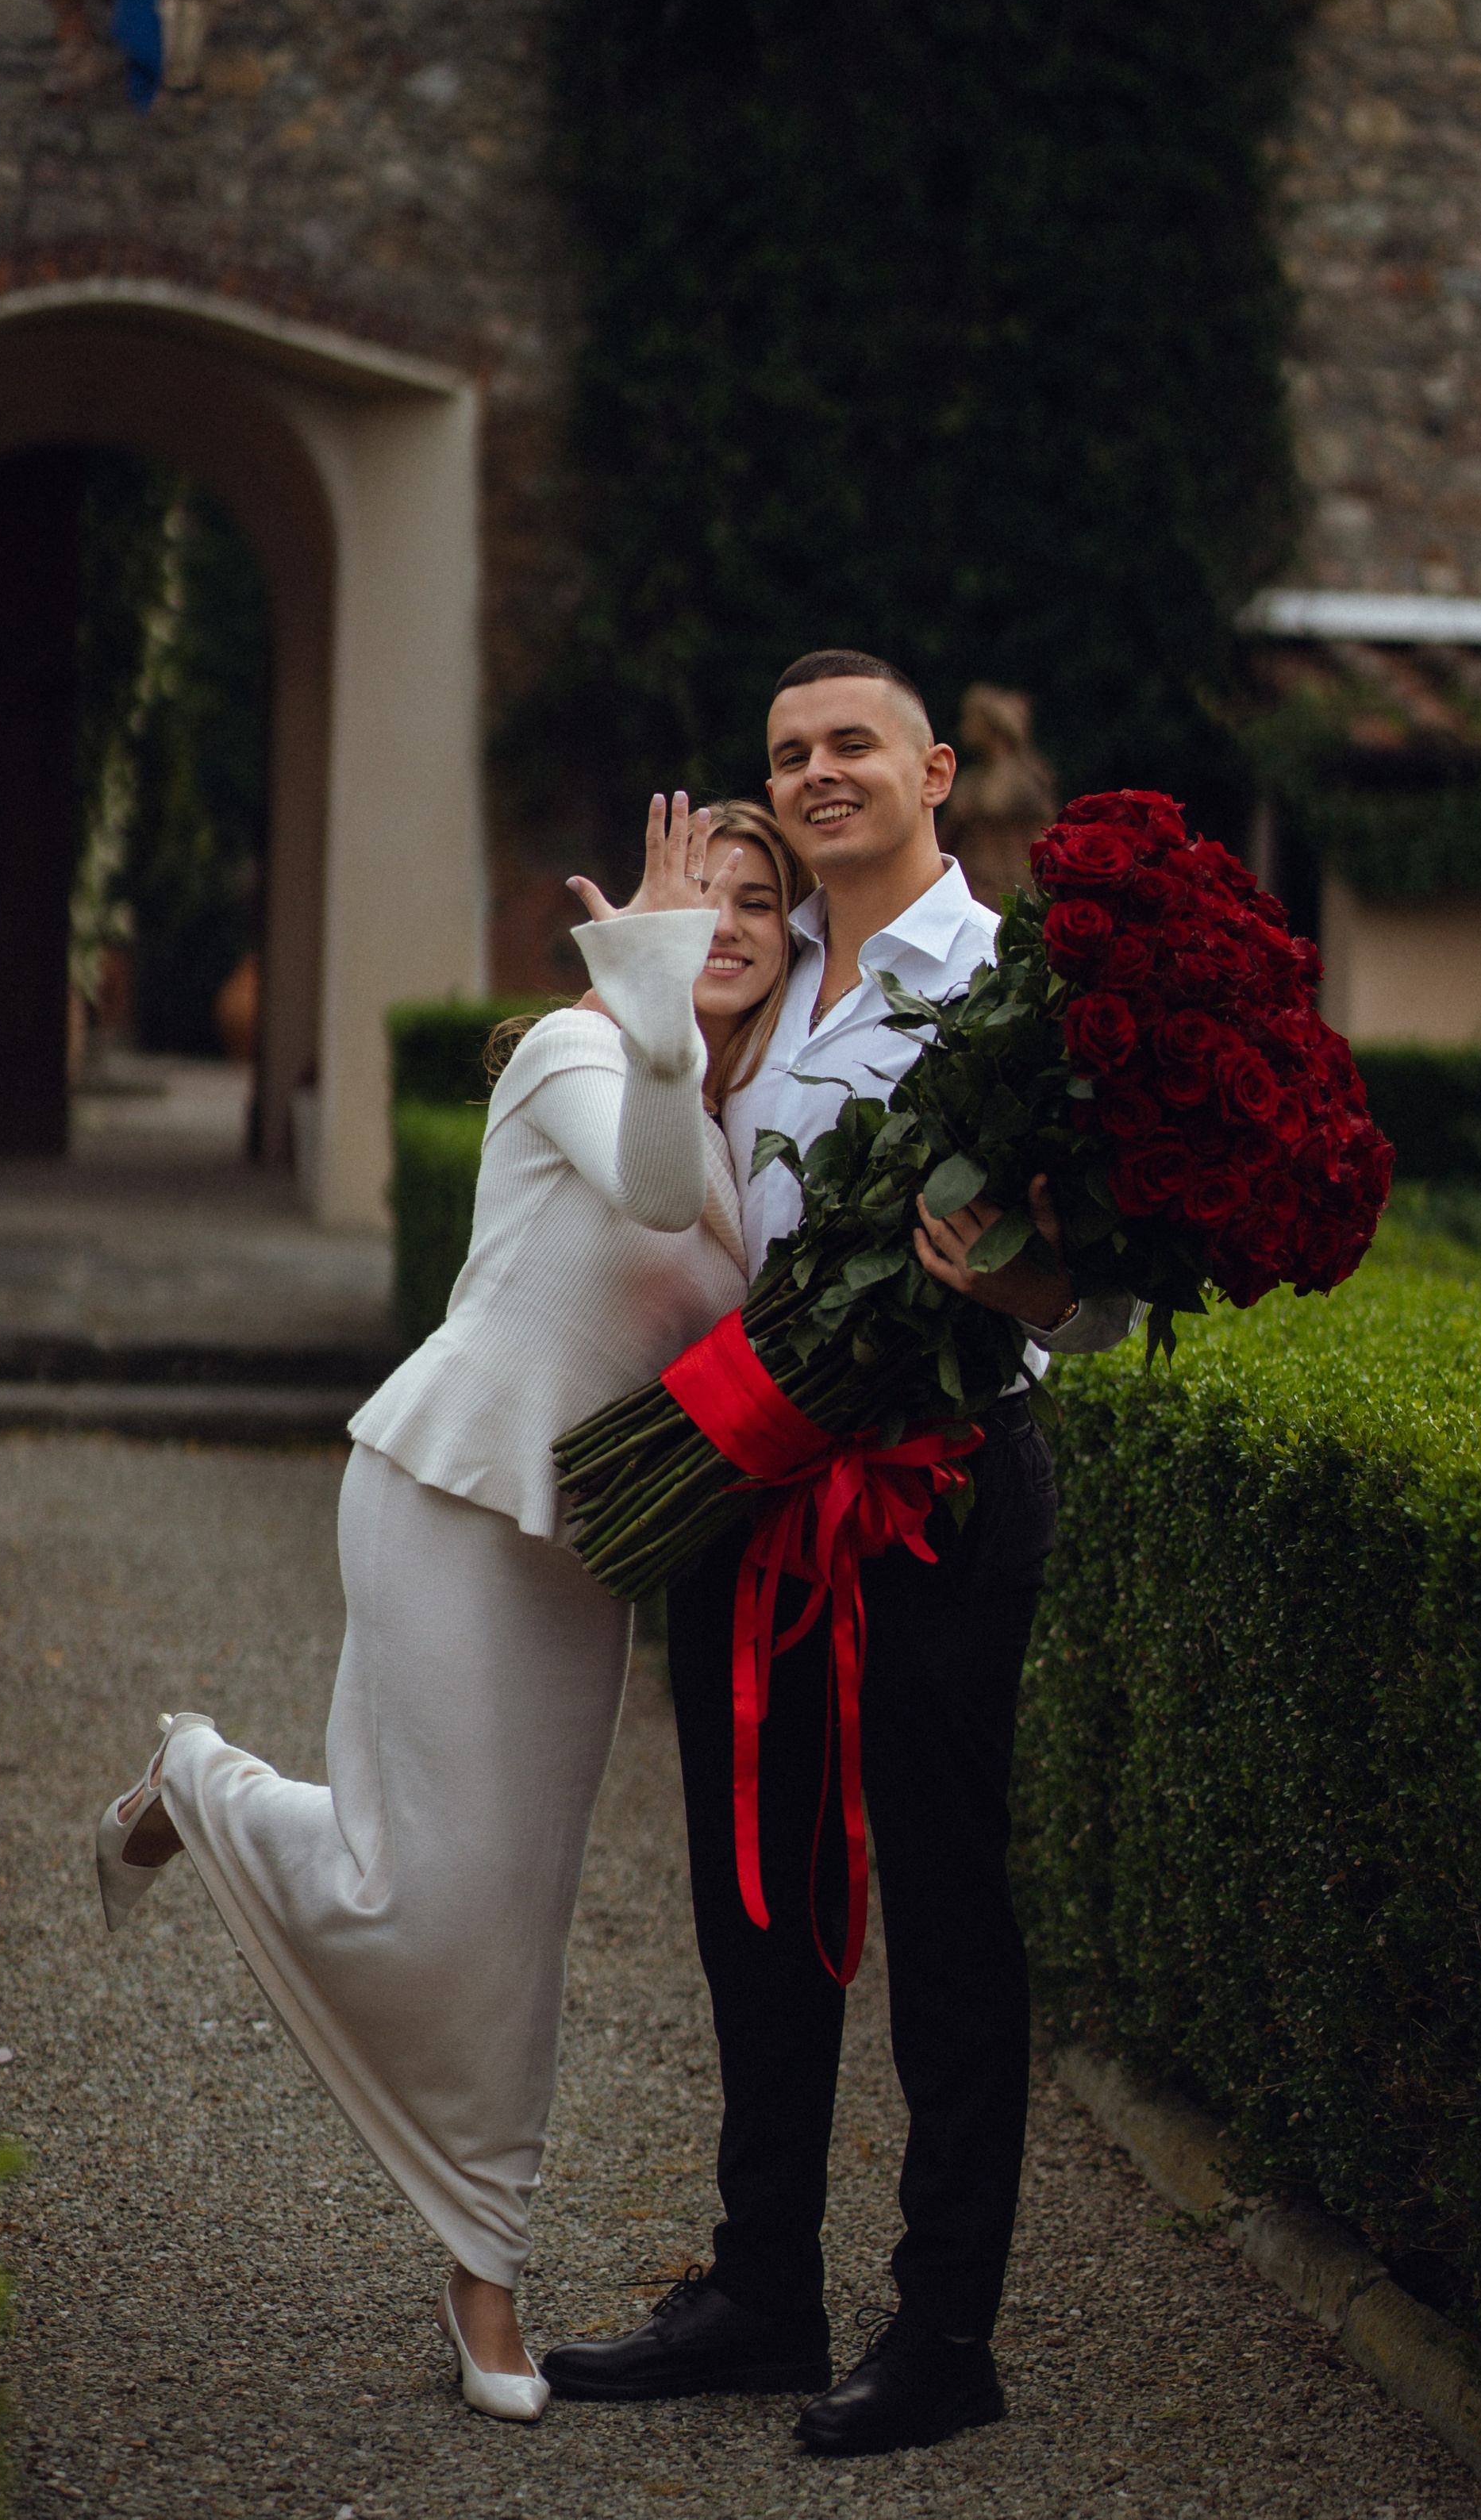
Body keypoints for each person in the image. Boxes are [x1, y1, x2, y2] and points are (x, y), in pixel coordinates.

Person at [94, 794, 811, 2423]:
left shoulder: (734, 1128)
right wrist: (638, 963)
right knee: (411, 1902)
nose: (736, 914)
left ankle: (481, 2272)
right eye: (713, 882)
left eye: (764, 899)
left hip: (575, 1559)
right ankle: (198, 1781)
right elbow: (631, 1181)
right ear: (649, 910)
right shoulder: (583, 1052)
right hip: (438, 1498)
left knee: (511, 1939)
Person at [542, 652, 1135, 2456]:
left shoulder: (1015, 998)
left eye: (849, 745)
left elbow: (1099, 1304)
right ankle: (762, 2289)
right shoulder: (768, 968)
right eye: (787, 751)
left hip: (934, 1487)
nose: (814, 774)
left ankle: (945, 2327)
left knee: (945, 1908)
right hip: (745, 1485)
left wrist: (1009, 1278)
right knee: (752, 1897)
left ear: (934, 770)